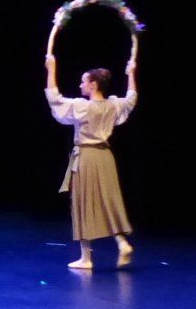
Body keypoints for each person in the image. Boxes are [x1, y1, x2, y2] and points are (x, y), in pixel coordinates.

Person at [46, 53, 137, 269]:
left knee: (83, 203)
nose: (80, 85)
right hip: (105, 157)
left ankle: (86, 258)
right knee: (109, 200)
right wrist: (131, 74)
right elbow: (131, 98)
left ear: (93, 85)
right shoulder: (112, 105)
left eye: (83, 81)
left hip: (87, 157)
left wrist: (51, 69)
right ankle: (122, 242)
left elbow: (55, 99)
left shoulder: (84, 107)